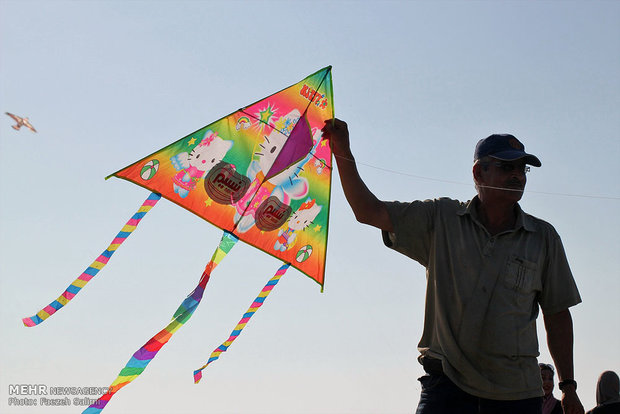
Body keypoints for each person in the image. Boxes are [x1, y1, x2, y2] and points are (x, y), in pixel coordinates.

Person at [322, 118, 584, 414]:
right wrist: (342, 150)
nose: (517, 176)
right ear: (478, 171)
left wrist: (568, 387)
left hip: (516, 395)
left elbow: (558, 314)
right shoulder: (442, 219)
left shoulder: (543, 237)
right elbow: (368, 210)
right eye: (506, 167)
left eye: (521, 169)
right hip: (447, 388)